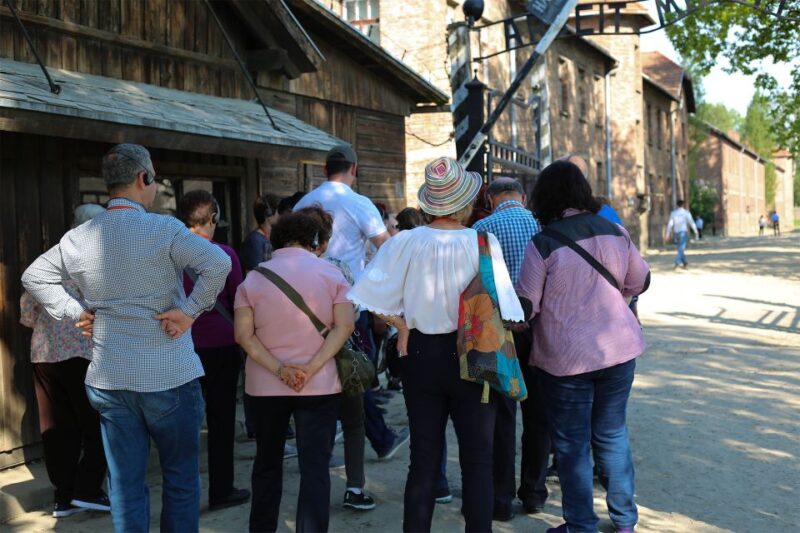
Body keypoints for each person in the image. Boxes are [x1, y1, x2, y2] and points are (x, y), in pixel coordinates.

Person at [22, 144, 231, 532]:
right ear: (143, 178)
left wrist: (75, 313)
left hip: (110, 376)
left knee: (125, 486)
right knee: (181, 481)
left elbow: (33, 276)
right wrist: (190, 312)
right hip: (168, 372)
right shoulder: (164, 229)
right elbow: (219, 262)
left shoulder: (77, 238)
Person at [349, 157, 524, 532]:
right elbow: (508, 309)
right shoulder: (482, 241)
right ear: (463, 200)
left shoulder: (406, 241)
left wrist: (402, 325)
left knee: (423, 460)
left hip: (421, 354)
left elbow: (367, 293)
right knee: (478, 459)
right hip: (475, 354)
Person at [516, 160, 650, 533]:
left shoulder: (542, 242)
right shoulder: (615, 230)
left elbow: (526, 306)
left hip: (565, 359)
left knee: (572, 443)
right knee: (612, 433)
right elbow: (641, 279)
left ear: (544, 197)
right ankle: (625, 521)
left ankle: (580, 525)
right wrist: (616, 299)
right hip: (619, 350)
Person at [294, 143, 408, 511]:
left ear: (326, 168)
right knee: (354, 391)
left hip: (305, 309)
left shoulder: (303, 204)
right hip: (349, 307)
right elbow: (388, 250)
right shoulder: (359, 204)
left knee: (317, 396)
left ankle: (316, 484)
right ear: (354, 170)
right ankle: (356, 482)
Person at [234, 207, 355, 533]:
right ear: (311, 240)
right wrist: (310, 367)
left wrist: (280, 369)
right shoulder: (332, 275)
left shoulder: (253, 279)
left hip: (265, 386)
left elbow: (243, 336)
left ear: (275, 241)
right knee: (315, 468)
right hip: (319, 384)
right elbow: (345, 326)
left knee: (267, 464)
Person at [20, 204, 109, 519]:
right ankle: (88, 489)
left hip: (45, 354)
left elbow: (27, 313)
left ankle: (63, 498)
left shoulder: (50, 259)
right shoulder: (97, 264)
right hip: (84, 352)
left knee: (57, 429)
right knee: (96, 423)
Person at [472, 177, 545, 519]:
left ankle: (500, 501)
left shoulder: (483, 226)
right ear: (523, 196)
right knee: (538, 414)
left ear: (490, 197)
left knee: (501, 416)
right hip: (537, 328)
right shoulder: (541, 224)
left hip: (498, 331)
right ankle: (533, 492)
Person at [179, 190, 250, 511]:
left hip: (181, 346)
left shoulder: (169, 256)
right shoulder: (224, 254)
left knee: (184, 423)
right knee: (221, 421)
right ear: (213, 219)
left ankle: (183, 493)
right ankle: (221, 490)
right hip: (222, 346)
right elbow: (239, 300)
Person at [241, 194, 281, 272]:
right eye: (277, 212)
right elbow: (253, 273)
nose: (278, 215)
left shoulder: (269, 236)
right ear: (269, 214)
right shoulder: (255, 241)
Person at [666, 200, 698, 269]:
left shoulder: (673, 213)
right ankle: (677, 262)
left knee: (680, 249)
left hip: (676, 233)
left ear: (677, 205)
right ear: (683, 205)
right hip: (683, 232)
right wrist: (695, 230)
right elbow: (691, 222)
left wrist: (667, 233)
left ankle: (685, 263)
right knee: (681, 249)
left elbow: (670, 224)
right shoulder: (686, 213)